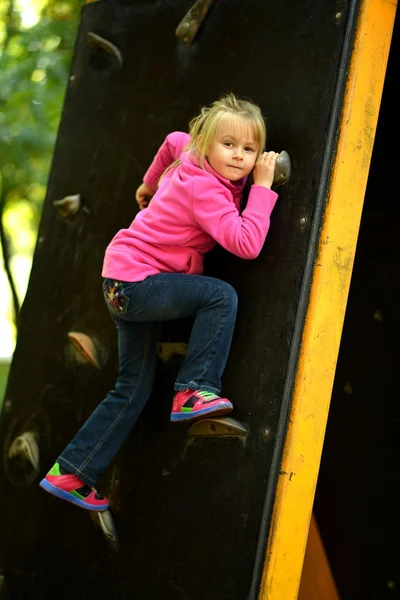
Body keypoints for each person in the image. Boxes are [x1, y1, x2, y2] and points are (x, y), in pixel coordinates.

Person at [40, 93, 280, 511]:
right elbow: (245, 243)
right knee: (220, 296)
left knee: (131, 388)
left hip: (120, 281)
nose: (239, 156)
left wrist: (148, 185)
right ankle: (194, 389)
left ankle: (72, 470)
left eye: (249, 149)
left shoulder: (187, 151)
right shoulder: (207, 189)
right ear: (205, 143)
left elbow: (171, 141)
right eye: (229, 145)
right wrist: (261, 188)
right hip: (140, 283)